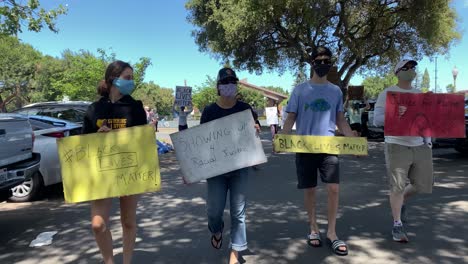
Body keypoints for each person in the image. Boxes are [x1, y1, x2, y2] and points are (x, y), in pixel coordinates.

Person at [281, 46, 356, 256]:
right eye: (319, 60)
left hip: (329, 147)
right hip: (305, 148)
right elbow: (290, 117)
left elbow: (341, 119)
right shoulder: (300, 90)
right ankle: (313, 228)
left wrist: (353, 141)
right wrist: (282, 139)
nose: (323, 63)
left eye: (327, 60)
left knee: (333, 188)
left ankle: (332, 232)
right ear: (312, 63)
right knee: (310, 189)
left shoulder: (335, 91)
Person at [82, 60, 147, 264]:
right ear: (113, 79)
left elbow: (142, 141)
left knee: (128, 222)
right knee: (97, 225)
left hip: (129, 171)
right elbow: (84, 144)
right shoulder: (94, 109)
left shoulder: (135, 108)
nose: (131, 81)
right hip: (102, 174)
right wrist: (97, 137)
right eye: (128, 77)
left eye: (132, 77)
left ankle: (126, 261)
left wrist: (118, 136)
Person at [201, 67, 260, 264]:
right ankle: (217, 230)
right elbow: (199, 141)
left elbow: (254, 134)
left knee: (239, 211)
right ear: (218, 87)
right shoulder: (209, 111)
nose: (229, 86)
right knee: (214, 211)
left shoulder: (245, 109)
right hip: (216, 170)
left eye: (232, 82)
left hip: (239, 168)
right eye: (225, 82)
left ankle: (235, 253)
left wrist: (256, 130)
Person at [374, 59, 433, 243]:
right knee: (397, 186)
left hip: (419, 144)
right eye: (406, 67)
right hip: (396, 144)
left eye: (412, 67)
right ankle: (397, 224)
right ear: (397, 72)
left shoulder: (418, 94)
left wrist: (428, 139)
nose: (410, 70)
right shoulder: (387, 93)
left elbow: (424, 120)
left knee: (422, 184)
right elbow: (377, 120)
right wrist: (396, 113)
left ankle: (401, 202)